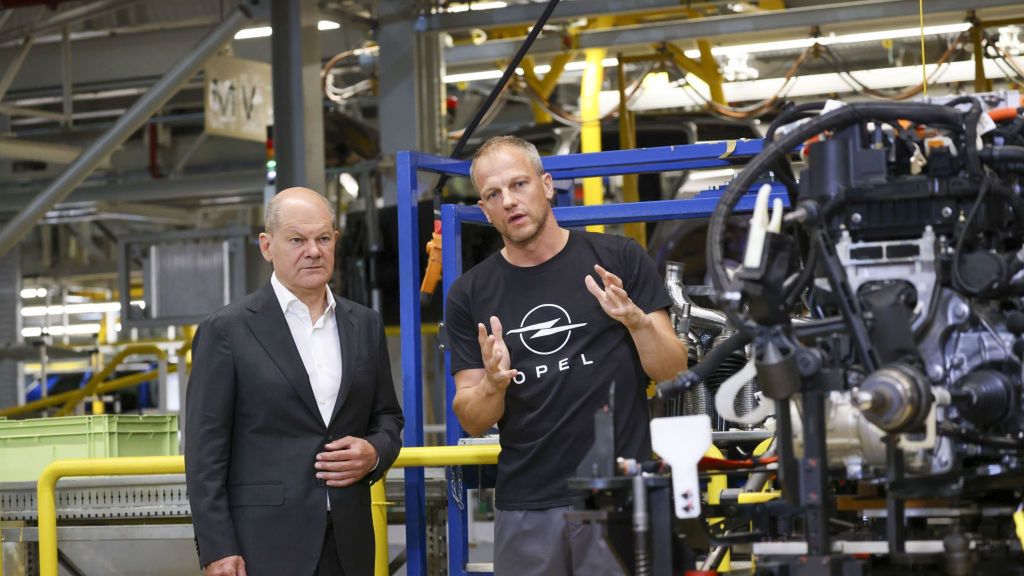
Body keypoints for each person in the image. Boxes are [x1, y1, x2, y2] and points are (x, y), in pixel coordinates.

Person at [445, 136, 687, 575]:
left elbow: (672, 369)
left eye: (519, 184)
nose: (509, 202)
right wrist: (493, 383)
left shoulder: (618, 259)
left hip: (618, 496)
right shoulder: (470, 293)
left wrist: (636, 322)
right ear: (484, 211)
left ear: (547, 184)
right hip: (528, 507)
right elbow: (472, 418)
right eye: (493, 195)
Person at [185, 187, 404, 576]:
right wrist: (218, 547)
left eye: (323, 238)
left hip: (349, 543)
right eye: (297, 240)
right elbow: (205, 452)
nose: (313, 251)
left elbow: (387, 418)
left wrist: (374, 452)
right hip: (262, 547)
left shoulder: (365, 325)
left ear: (335, 241)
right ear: (267, 246)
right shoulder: (227, 331)